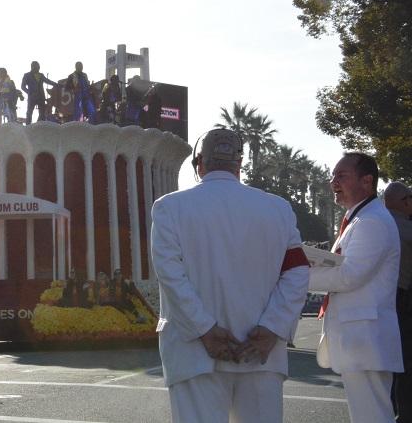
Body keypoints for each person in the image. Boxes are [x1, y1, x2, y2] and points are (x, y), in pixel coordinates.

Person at [150, 127, 310, 423]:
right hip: (261, 355)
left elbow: (170, 275)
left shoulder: (170, 207)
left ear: (199, 162)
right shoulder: (278, 209)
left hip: (194, 355)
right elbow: (298, 272)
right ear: (240, 164)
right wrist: (272, 328)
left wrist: (205, 330)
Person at [308, 153, 403, 423]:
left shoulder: (371, 220)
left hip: (365, 341)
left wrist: (296, 276)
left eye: (342, 176)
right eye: (333, 175)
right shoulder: (360, 218)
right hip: (361, 340)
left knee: (372, 418)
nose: (333, 181)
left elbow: (349, 276)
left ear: (367, 181)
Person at [383, 181, 412, 422]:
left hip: (378, 302)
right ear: (405, 201)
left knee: (385, 364)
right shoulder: (407, 229)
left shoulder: (375, 223)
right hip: (403, 302)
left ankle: (384, 410)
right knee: (406, 366)